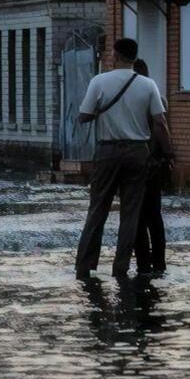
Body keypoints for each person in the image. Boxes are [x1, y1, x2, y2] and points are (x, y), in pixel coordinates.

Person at [74, 38, 173, 281]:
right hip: (138, 153)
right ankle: (121, 268)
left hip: (107, 152)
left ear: (115, 55)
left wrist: (99, 112)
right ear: (134, 57)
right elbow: (160, 123)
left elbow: (83, 116)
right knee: (131, 213)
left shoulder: (99, 81)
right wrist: (169, 154)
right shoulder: (148, 85)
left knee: (98, 210)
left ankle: (85, 266)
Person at [131, 58, 169, 277]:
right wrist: (169, 155)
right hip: (154, 163)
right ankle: (159, 263)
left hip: (135, 162)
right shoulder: (158, 98)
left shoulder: (129, 100)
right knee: (154, 215)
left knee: (138, 216)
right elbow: (162, 128)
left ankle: (143, 265)